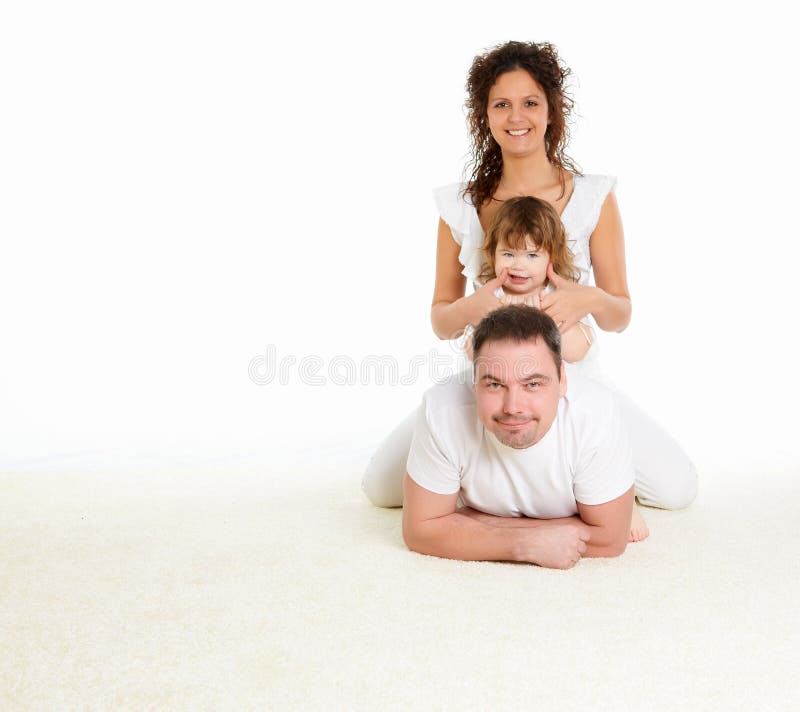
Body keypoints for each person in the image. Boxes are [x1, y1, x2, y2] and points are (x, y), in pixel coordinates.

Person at [362, 40, 697, 541]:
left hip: (572, 381)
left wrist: (586, 300)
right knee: (380, 488)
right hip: (492, 379)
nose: (516, 117)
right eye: (502, 104)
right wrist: (472, 307)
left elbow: (620, 314)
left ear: (551, 111)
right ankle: (497, 495)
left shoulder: (592, 197)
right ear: (485, 116)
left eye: (530, 102)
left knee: (677, 487)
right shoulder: (460, 205)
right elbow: (440, 320)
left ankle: (573, 492)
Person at [403, 305, 633, 570]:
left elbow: (611, 539)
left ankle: (627, 493)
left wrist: (476, 522)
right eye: (494, 385)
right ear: (474, 382)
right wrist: (523, 542)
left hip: (595, 440)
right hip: (446, 426)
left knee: (676, 489)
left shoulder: (596, 414)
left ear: (562, 381)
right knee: (380, 491)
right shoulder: (442, 408)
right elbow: (419, 531)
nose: (513, 407)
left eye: (533, 384)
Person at [467, 195, 594, 366]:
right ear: (492, 254)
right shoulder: (491, 297)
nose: (519, 265)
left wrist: (544, 319)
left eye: (532, 255)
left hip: (558, 385)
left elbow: (579, 350)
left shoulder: (558, 295)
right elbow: (470, 350)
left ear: (552, 258)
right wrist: (500, 322)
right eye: (508, 254)